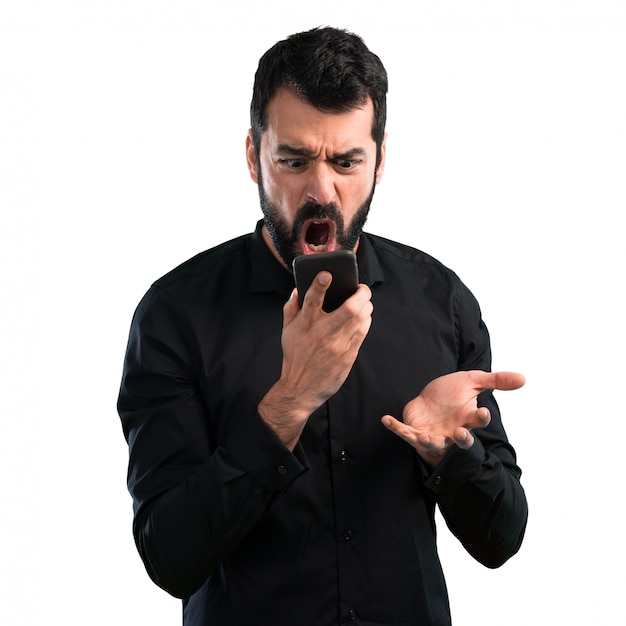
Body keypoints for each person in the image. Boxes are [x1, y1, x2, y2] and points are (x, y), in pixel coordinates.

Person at [117, 26, 528, 626]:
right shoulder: (176, 315)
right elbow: (169, 556)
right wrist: (287, 404)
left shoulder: (442, 300)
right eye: (294, 160)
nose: (321, 190)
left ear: (380, 159)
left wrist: (450, 455)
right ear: (254, 155)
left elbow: (502, 539)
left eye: (345, 161)